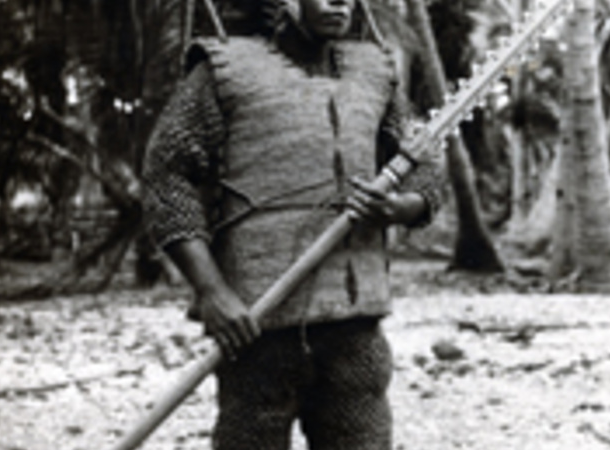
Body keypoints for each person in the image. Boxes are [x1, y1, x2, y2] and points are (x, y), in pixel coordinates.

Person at [142, 0, 441, 448]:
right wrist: (211, 291)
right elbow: (167, 176)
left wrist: (401, 207)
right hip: (257, 322)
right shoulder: (226, 70)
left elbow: (424, 165)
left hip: (353, 321)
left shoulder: (375, 72)